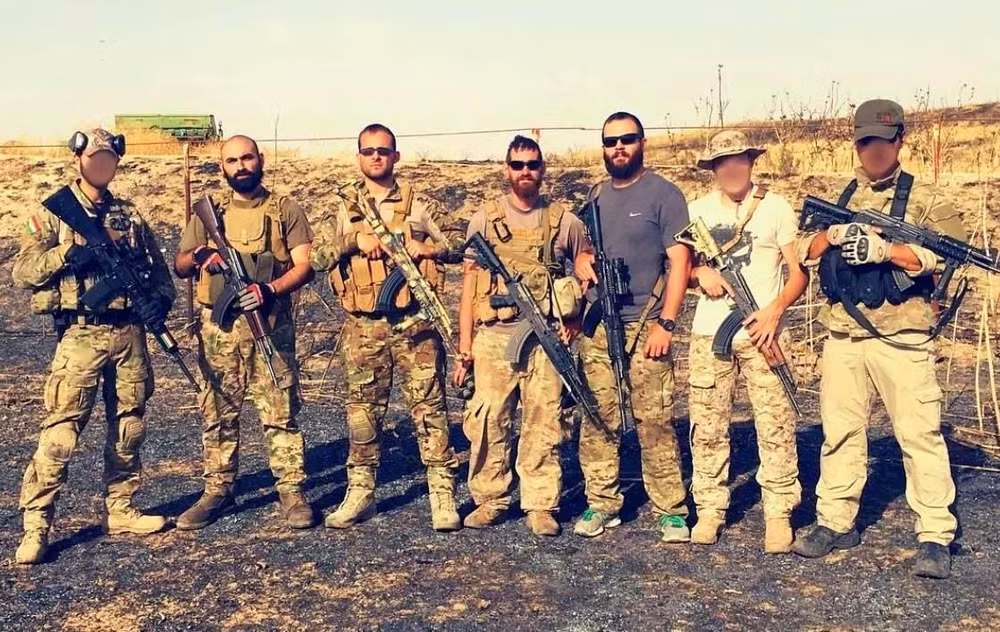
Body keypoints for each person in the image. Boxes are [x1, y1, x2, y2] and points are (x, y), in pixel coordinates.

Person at [792, 99, 965, 579]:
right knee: (840, 430)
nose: (875, 151)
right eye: (866, 141)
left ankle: (935, 534)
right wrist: (833, 236)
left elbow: (947, 256)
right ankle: (835, 520)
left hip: (902, 336)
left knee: (918, 434)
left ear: (900, 141)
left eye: (884, 142)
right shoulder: (841, 194)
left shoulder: (928, 199)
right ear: (856, 144)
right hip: (843, 334)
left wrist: (887, 250)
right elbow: (803, 248)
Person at [13, 129, 174, 564]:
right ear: (78, 160)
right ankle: (36, 525)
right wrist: (66, 256)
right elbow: (23, 272)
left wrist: (159, 302)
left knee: (130, 426)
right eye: (94, 158)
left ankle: (120, 508)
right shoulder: (52, 213)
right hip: (81, 335)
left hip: (128, 332)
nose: (102, 165)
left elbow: (159, 271)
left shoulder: (129, 214)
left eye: (108, 158)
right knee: (62, 434)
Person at [310, 124, 463, 531]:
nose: (376, 156)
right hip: (363, 328)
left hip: (415, 324)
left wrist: (425, 247)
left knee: (430, 409)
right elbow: (317, 258)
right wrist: (352, 242)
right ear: (358, 157)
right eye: (368, 151)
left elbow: (460, 244)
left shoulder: (419, 203)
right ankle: (361, 493)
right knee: (363, 413)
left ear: (396, 156)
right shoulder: (343, 207)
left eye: (383, 150)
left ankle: (442, 493)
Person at [174, 135, 315, 530]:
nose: (241, 166)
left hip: (269, 324)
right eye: (232, 160)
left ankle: (291, 491)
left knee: (280, 411)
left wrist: (268, 289)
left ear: (260, 160)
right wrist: (202, 254)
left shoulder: (284, 209)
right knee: (217, 411)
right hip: (219, 330)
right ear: (223, 167)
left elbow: (305, 266)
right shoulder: (210, 213)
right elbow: (181, 265)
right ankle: (217, 489)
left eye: (247, 158)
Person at [453, 134, 588, 536]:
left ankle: (541, 504)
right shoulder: (485, 219)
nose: (525, 171)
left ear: (542, 169)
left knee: (544, 420)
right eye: (517, 165)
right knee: (488, 419)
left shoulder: (564, 221)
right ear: (506, 169)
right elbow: (469, 287)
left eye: (532, 164)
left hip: (544, 339)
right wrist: (464, 347)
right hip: (494, 337)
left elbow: (586, 266)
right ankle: (490, 499)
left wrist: (575, 318)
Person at [685, 129, 807, 553]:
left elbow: (798, 273)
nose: (732, 169)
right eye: (723, 163)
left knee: (775, 426)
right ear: (713, 169)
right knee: (707, 428)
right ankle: (710, 510)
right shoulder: (697, 211)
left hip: (763, 333)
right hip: (710, 334)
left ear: (752, 162)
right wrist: (699, 272)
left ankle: (779, 512)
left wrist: (774, 311)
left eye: (739, 160)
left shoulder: (775, 207)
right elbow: (679, 269)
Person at [573, 112, 692, 542]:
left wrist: (666, 323)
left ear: (643, 142)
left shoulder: (664, 194)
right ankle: (602, 502)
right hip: (600, 323)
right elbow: (582, 247)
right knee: (598, 416)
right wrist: (581, 259)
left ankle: (671, 510)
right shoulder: (595, 197)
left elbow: (680, 261)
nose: (618, 147)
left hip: (647, 324)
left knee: (654, 419)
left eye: (626, 139)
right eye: (610, 141)